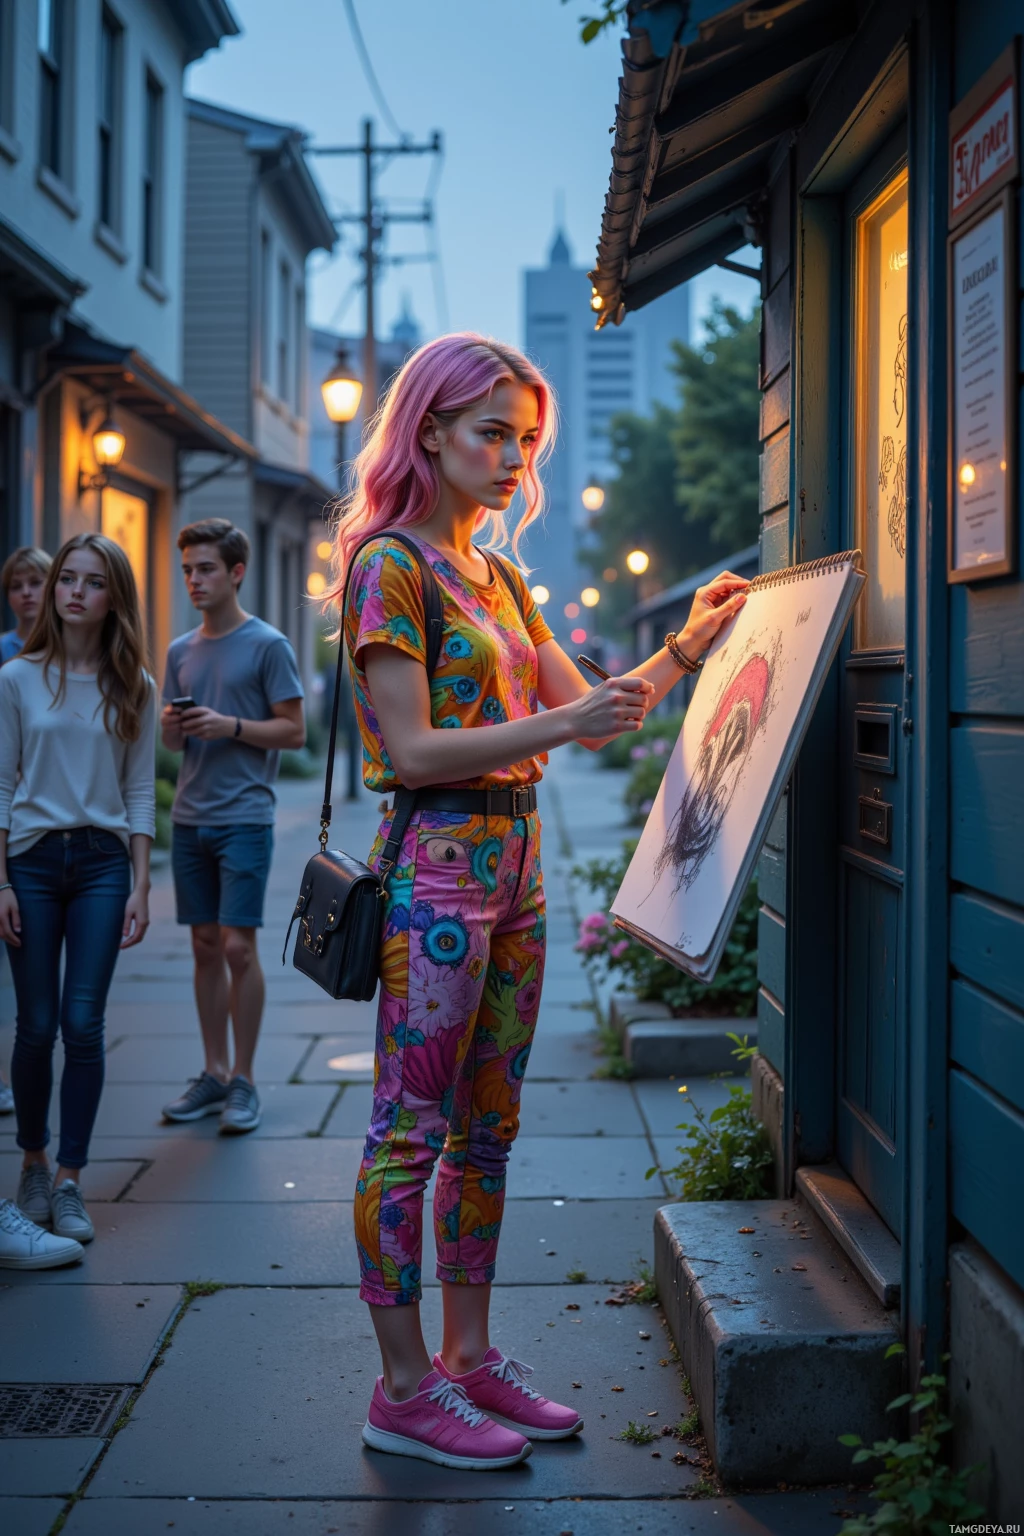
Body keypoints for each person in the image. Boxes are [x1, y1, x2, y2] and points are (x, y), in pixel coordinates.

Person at [333, 332, 749, 1471]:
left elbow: (597, 702)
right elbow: (413, 748)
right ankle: (403, 1387)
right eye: (490, 433)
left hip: (513, 869)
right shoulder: (391, 565)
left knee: (489, 1131)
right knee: (408, 1132)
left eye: (525, 438)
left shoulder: (500, 575)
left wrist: (686, 645)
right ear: (428, 432)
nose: (515, 458)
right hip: (437, 870)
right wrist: (567, 727)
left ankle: (468, 1361)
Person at [0, 533, 155, 1259]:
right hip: (29, 864)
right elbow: (1, 786)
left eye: (93, 582)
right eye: (67, 578)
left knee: (83, 1023)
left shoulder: (136, 686)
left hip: (100, 865)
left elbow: (137, 790)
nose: (73, 592)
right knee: (34, 1026)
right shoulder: (16, 678)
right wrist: (0, 878)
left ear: (112, 597)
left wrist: (142, 883)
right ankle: (31, 1165)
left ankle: (69, 1178)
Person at [160, 519, 305, 1135]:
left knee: (239, 948)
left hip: (245, 817)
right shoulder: (179, 651)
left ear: (236, 573)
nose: (194, 579)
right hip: (189, 818)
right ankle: (213, 1071)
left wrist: (231, 727)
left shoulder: (269, 645)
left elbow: (294, 732)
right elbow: (171, 740)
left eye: (206, 569)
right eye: (188, 569)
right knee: (203, 947)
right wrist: (175, 725)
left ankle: (244, 1078)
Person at [0, 546, 52, 1116]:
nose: (28, 593)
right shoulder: (6, 658)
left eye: (38, 581)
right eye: (18, 584)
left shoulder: (76, 656)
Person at [0, 545, 51, 665]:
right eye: (16, 586)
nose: (26, 592)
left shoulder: (69, 645)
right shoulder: (2, 648)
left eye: (35, 583)